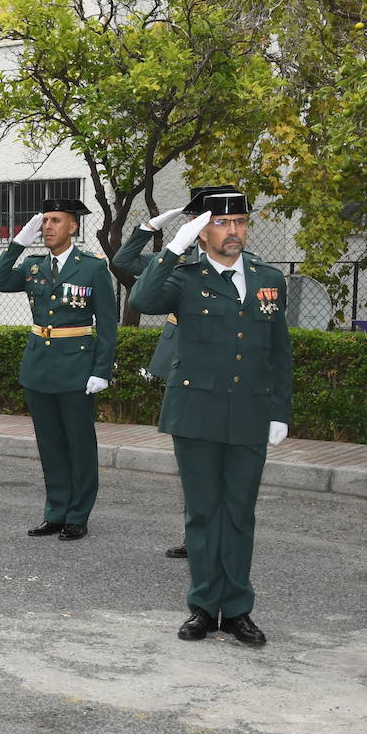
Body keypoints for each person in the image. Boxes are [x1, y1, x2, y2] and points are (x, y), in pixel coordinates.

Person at [130, 189, 292, 645]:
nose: (234, 231)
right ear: (203, 231)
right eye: (223, 223)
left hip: (249, 412)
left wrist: (279, 410)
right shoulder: (183, 276)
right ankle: (203, 607)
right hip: (196, 411)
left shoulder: (268, 277)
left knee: (239, 514)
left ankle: (237, 609)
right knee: (202, 514)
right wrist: (173, 247)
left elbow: (279, 351)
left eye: (240, 221)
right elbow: (142, 300)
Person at [112, 185, 237, 559]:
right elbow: (123, 259)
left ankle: (222, 531)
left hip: (221, 369)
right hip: (183, 367)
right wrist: (151, 226)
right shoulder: (176, 262)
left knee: (224, 458)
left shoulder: (236, 261)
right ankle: (194, 531)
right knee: (193, 460)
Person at [0, 199, 117, 541]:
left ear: (72, 227)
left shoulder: (91, 268)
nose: (47, 227)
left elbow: (108, 323)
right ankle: (56, 511)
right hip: (39, 366)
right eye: (44, 221)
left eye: (55, 221)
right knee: (50, 445)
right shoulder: (33, 266)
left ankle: (78, 514)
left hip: (76, 367)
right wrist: (17, 242)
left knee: (79, 443)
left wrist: (101, 370)